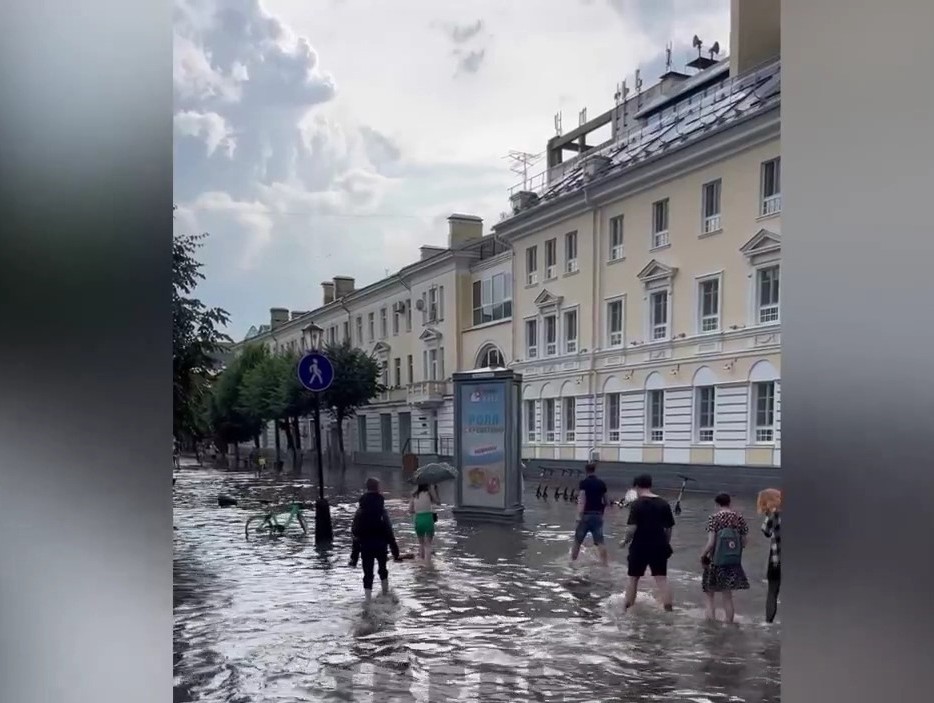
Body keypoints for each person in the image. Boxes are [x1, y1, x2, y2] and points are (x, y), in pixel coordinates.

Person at [620, 474, 675, 611]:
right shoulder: (664, 503)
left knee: (633, 579)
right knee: (661, 579)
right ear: (650, 485)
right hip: (659, 545)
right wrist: (665, 543)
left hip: (639, 546)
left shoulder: (636, 505)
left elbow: (632, 528)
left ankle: (627, 610)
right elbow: (668, 528)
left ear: (637, 486)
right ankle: (668, 610)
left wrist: (625, 541)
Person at [699, 493, 750, 623]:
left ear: (717, 504)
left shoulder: (714, 518)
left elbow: (711, 543)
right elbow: (744, 542)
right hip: (732, 562)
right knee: (727, 596)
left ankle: (711, 626)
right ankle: (729, 625)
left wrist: (703, 555)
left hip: (715, 562)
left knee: (709, 594)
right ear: (729, 502)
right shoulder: (739, 518)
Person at [350, 477, 401, 600]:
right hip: (381, 545)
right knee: (383, 570)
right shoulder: (381, 510)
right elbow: (389, 531)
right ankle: (385, 594)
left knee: (368, 573)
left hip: (366, 546)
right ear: (377, 488)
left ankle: (368, 601)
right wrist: (395, 552)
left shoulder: (361, 510)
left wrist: (354, 557)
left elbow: (355, 533)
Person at [571, 463, 609, 566]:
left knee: (577, 541)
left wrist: (579, 516)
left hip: (585, 516)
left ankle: (572, 563)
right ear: (595, 470)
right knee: (600, 541)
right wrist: (601, 512)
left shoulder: (584, 483)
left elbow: (582, 500)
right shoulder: (601, 483)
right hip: (597, 516)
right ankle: (605, 564)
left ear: (586, 471)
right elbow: (606, 501)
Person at [758, 488, 782, 624]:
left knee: (772, 591)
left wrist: (768, 513)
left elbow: (766, 531)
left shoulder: (774, 514)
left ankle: (768, 623)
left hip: (776, 559)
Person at [408, 483, 440, 562]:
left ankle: (421, 561)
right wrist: (436, 491)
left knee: (421, 543)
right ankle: (428, 565)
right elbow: (438, 502)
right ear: (427, 485)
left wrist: (418, 510)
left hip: (418, 519)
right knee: (428, 544)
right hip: (428, 518)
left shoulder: (414, 495)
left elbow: (410, 510)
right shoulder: (429, 493)